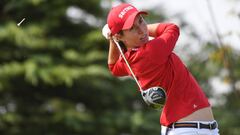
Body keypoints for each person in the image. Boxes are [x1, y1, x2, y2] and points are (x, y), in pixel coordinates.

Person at [103, 3, 219, 135]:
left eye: (141, 21)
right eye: (133, 28)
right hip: (187, 130)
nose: (142, 30)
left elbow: (113, 67)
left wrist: (113, 41)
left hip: (192, 129)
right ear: (120, 36)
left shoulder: (129, 59)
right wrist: (114, 38)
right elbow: (172, 28)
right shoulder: (152, 51)